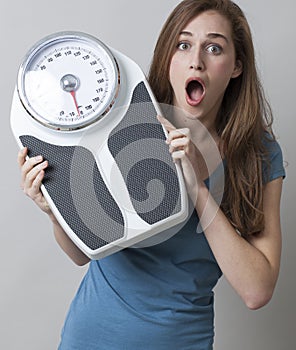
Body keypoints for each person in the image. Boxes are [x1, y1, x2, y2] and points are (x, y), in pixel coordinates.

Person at [17, 0, 286, 349]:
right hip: (90, 338)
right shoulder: (123, 121)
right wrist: (53, 209)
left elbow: (256, 290)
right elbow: (83, 253)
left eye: (214, 48)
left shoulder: (258, 154)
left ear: (236, 66)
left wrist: (196, 187)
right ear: (168, 57)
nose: (196, 61)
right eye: (184, 44)